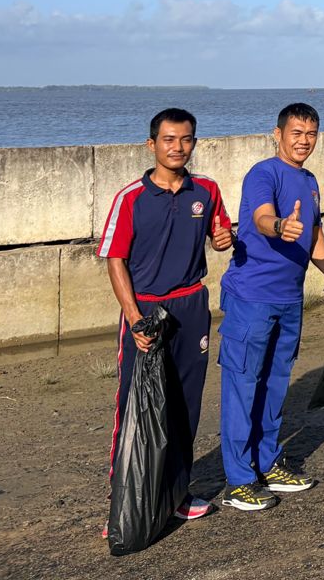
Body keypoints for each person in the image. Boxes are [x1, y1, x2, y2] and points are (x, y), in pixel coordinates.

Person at [98, 107, 232, 523]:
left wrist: (224, 238)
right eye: (169, 139)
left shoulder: (206, 190)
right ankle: (124, 505)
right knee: (134, 405)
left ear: (194, 143)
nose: (178, 147)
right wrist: (134, 318)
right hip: (146, 309)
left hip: (191, 306)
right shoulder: (131, 198)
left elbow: (221, 233)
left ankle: (176, 493)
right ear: (151, 144)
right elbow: (115, 260)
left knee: (185, 404)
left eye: (186, 139)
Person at [218, 103, 324, 512]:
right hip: (251, 297)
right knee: (243, 386)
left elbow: (312, 234)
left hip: (289, 299)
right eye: (296, 132)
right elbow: (262, 218)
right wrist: (279, 226)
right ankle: (239, 480)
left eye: (311, 134)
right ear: (278, 134)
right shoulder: (264, 173)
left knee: (275, 385)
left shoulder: (309, 181)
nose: (304, 141)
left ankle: (268, 462)